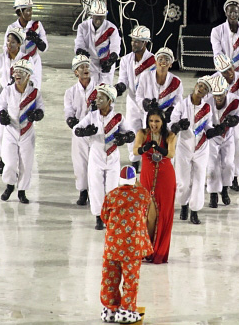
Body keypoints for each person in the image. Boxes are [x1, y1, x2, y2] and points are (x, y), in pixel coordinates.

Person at [75, 84, 135, 230]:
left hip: (113, 157)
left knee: (112, 188)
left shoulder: (118, 117)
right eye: (97, 97)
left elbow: (131, 134)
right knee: (96, 187)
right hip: (96, 156)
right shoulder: (92, 116)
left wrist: (124, 138)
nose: (97, 100)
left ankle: (111, 215)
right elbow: (77, 129)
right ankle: (98, 217)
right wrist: (85, 131)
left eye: (101, 97)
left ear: (110, 100)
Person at [99, 165, 152, 324]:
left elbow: (104, 217)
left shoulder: (111, 195)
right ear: (134, 179)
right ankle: (127, 311)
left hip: (112, 246)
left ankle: (110, 309)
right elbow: (147, 204)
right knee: (130, 280)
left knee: (109, 278)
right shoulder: (142, 194)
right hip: (132, 248)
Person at [0, 27, 35, 175]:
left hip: (21, 99)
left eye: (12, 42)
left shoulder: (26, 60)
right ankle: (3, 159)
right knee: (2, 131)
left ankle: (18, 162)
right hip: (4, 98)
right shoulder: (1, 58)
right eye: (8, 41)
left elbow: (33, 81)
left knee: (19, 132)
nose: (9, 44)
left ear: (19, 44)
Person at [169, 76, 219, 225]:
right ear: (195, 85)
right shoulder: (182, 105)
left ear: (206, 94)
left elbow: (207, 126)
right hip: (184, 146)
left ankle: (195, 211)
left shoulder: (207, 108)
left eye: (204, 88)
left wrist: (213, 131)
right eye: (200, 85)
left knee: (199, 179)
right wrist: (178, 126)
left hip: (201, 147)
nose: (200, 88)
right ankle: (183, 205)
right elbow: (171, 124)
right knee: (183, 181)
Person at [0, 59, 45, 204]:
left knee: (26, 163)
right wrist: (2, 114)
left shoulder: (35, 93)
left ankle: (22, 191)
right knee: (10, 162)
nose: (17, 74)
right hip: (11, 131)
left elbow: (41, 109)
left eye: (21, 72)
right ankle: (10, 185)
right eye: (16, 71)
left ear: (28, 75)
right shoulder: (8, 90)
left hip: (27, 132)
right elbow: (1, 106)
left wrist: (37, 114)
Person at [133, 108, 176, 264]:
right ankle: (146, 248)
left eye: (157, 121)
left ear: (163, 122)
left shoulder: (170, 135)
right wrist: (145, 147)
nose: (153, 124)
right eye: (151, 121)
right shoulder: (142, 133)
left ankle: (156, 250)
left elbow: (171, 154)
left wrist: (157, 148)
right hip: (147, 177)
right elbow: (135, 150)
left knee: (162, 214)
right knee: (149, 215)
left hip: (166, 178)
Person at [116, 25, 156, 173]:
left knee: (149, 131)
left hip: (148, 102)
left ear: (145, 43)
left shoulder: (153, 61)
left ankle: (149, 159)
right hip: (132, 101)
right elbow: (123, 79)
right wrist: (119, 87)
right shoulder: (125, 60)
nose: (133, 43)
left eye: (137, 41)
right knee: (132, 129)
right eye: (132, 40)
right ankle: (134, 160)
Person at [63, 54, 97, 206]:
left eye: (87, 66)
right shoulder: (70, 92)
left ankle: (95, 192)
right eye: (81, 67)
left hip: (96, 133)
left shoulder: (99, 88)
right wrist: (73, 122)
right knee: (80, 163)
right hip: (79, 133)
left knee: (95, 163)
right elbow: (68, 111)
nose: (85, 69)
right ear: (75, 72)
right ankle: (83, 192)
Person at [204, 75, 239, 209]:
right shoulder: (206, 101)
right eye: (216, 94)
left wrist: (233, 121)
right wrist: (212, 130)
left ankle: (225, 189)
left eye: (221, 94)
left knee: (228, 164)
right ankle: (213, 194)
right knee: (212, 165)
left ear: (226, 91)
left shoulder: (235, 101)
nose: (218, 97)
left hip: (228, 136)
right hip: (212, 137)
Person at [213, 53, 239, 192]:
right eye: (224, 72)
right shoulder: (213, 80)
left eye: (230, 69)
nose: (229, 73)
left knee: (235, 149)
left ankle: (234, 177)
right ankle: (215, 179)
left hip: (235, 115)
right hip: (219, 117)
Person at [4, 0, 48, 86]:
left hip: (34, 63)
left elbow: (45, 48)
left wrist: (37, 40)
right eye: (27, 10)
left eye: (31, 9)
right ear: (19, 12)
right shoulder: (12, 28)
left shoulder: (37, 26)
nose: (30, 13)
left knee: (33, 91)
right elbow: (6, 49)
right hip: (18, 65)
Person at [75, 0, 120, 85]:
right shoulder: (83, 27)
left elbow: (115, 45)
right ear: (92, 15)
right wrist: (81, 51)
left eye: (101, 16)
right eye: (96, 16)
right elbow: (79, 43)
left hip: (106, 62)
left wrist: (111, 59)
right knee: (90, 90)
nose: (99, 19)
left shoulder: (111, 28)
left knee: (104, 91)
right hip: (90, 63)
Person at [135, 47, 182, 124]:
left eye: (167, 60)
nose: (163, 62)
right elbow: (138, 97)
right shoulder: (145, 76)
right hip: (149, 118)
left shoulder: (176, 81)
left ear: (170, 64)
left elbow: (178, 103)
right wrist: (145, 103)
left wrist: (171, 112)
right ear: (155, 62)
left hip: (166, 120)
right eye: (160, 59)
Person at [210, 0, 239, 74]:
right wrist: (225, 67)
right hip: (223, 72)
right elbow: (217, 52)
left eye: (236, 12)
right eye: (230, 12)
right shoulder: (216, 31)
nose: (233, 15)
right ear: (226, 13)